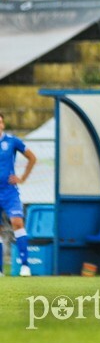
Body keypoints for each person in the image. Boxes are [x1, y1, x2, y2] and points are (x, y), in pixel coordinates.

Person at [0, 112, 36, 277]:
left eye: (0, 122)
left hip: (9, 191)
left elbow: (32, 158)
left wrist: (22, 178)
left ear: (3, 124)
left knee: (17, 222)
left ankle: (25, 266)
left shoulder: (12, 141)